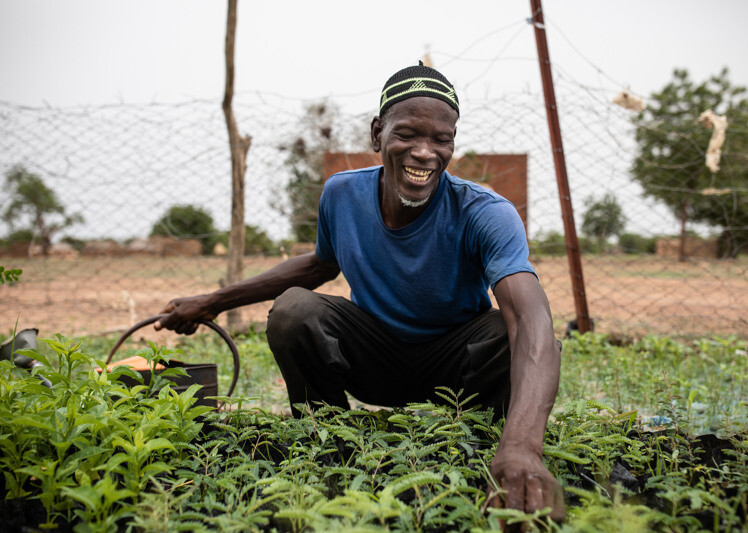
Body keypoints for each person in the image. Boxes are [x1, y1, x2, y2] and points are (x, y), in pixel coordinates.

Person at [155, 62, 565, 522]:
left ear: (452, 141)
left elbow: (532, 320)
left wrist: (524, 447)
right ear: (377, 135)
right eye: (407, 133)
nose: (425, 152)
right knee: (293, 310)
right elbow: (319, 265)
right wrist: (211, 301)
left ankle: (491, 447)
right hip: (373, 357)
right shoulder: (341, 195)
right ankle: (328, 444)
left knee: (514, 331)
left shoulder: (485, 212)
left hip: (457, 370)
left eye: (441, 139)